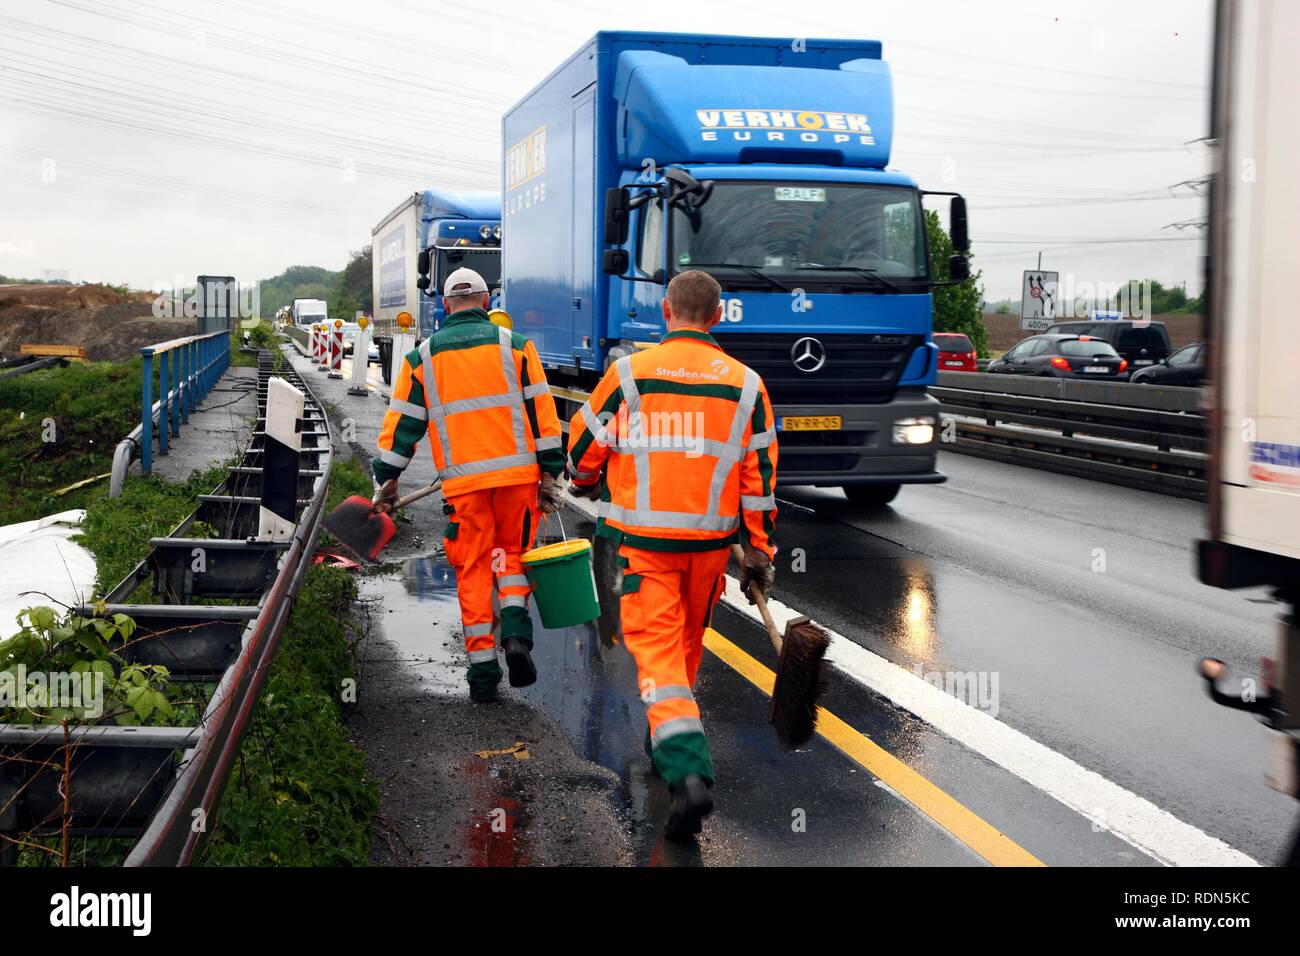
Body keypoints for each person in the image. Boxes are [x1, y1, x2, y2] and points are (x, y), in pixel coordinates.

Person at [566, 269, 779, 840]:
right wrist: (758, 551)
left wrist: (584, 479)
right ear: (716, 316)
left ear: (666, 312)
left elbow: (586, 445)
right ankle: (667, 747)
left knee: (658, 657)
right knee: (684, 651)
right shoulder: (747, 384)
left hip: (644, 549)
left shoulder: (629, 375)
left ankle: (688, 774)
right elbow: (758, 480)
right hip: (709, 551)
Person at [372, 267, 565, 702]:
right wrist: (550, 471)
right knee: (512, 556)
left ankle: (482, 675)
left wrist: (387, 480)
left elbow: (402, 426)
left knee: (475, 568)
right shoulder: (515, 347)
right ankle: (516, 634)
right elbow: (543, 416)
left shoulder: (422, 357)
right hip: (518, 480)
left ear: (445, 305)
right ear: (486, 301)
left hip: (465, 487)